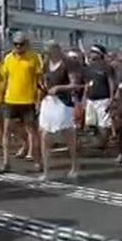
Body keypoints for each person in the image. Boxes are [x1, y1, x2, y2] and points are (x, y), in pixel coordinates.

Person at [37, 42, 82, 181]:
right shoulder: (46, 63)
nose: (48, 53)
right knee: (44, 135)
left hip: (64, 103)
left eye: (49, 50)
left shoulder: (68, 63)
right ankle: (46, 171)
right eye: (46, 51)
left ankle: (74, 165)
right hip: (48, 102)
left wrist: (59, 88)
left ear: (57, 49)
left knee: (68, 135)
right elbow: (43, 80)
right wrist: (41, 94)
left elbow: (75, 85)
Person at [0, 32, 42, 173]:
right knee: (6, 131)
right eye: (15, 44)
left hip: (28, 100)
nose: (18, 46)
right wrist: (1, 96)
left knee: (32, 132)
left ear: (26, 44)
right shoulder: (8, 58)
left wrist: (39, 100)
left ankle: (37, 161)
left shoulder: (34, 58)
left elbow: (39, 81)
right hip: (10, 100)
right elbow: (5, 80)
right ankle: (6, 163)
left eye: (21, 44)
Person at [81, 45, 115, 152]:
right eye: (91, 51)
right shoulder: (88, 68)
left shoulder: (107, 67)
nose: (91, 54)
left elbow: (111, 83)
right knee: (91, 123)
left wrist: (112, 98)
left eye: (94, 52)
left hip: (103, 99)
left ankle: (103, 144)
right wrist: (84, 98)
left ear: (100, 54)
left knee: (104, 124)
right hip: (91, 99)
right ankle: (99, 142)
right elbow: (87, 84)